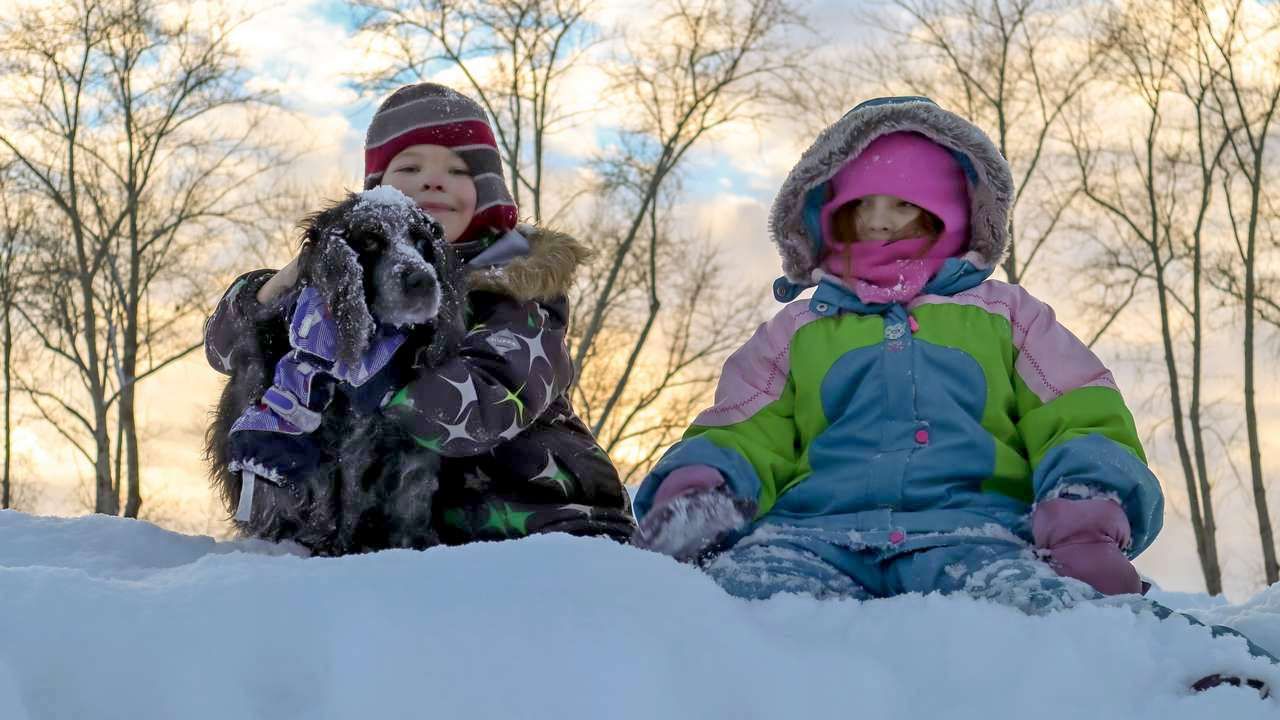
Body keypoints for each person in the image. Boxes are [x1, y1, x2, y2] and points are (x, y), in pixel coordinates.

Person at [631, 95, 1276, 695]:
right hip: (811, 538)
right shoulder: (797, 333)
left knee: (1067, 615)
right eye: (860, 211)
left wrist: (1084, 513)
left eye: (901, 208)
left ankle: (1186, 674)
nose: (879, 226)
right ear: (825, 221)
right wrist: (703, 484)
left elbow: (1076, 410)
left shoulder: (1006, 317)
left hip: (977, 534)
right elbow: (745, 424)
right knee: (732, 603)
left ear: (952, 214)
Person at [205, 82, 635, 546]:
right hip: (427, 539)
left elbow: (487, 408)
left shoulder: (519, 298)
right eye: (410, 167)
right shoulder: (348, 288)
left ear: (486, 193)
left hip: (547, 523)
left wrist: (383, 377)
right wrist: (291, 281)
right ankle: (295, 522)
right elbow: (225, 348)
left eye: (457, 170)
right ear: (377, 193)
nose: (433, 180)